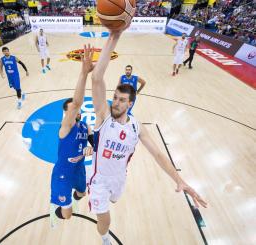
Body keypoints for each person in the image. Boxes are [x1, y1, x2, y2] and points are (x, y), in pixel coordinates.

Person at [90, 26, 207, 245]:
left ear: (130, 103)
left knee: (114, 200)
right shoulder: (103, 116)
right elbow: (97, 78)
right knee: (104, 216)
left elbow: (158, 154)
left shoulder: (136, 126)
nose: (116, 102)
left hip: (119, 178)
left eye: (121, 100)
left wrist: (179, 180)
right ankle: (105, 238)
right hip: (99, 179)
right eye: (115, 97)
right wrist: (114, 37)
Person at [50, 44, 94, 227]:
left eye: (75, 110)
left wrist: (92, 147)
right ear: (67, 114)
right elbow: (76, 103)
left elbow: (94, 141)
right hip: (63, 173)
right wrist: (84, 73)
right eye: (70, 110)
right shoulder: (66, 127)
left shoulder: (85, 126)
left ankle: (72, 199)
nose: (75, 111)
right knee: (67, 216)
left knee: (83, 193)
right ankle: (57, 209)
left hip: (79, 170)